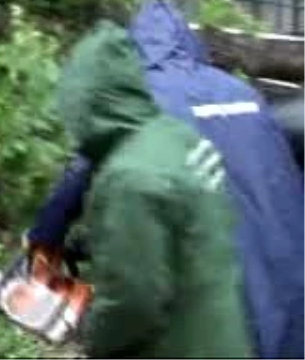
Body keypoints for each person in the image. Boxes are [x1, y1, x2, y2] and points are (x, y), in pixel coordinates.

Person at [27, 0, 305, 357]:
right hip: (283, 254)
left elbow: (79, 177)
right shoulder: (243, 92)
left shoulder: (138, 102)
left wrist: (43, 240)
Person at [54, 20, 251, 357]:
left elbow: (135, 302)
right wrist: (96, 240)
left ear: (87, 100)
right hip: (222, 335)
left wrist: (91, 336)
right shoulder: (178, 137)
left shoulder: (129, 176)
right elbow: (187, 226)